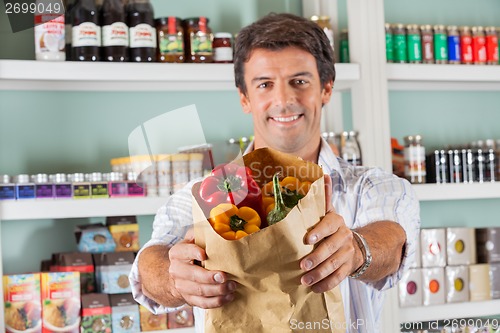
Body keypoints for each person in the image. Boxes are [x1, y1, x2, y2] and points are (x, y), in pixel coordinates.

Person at [130, 13, 420, 333]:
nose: (283, 100)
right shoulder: (200, 196)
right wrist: (174, 277)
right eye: (265, 84)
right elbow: (149, 265)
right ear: (245, 98)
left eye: (299, 81)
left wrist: (357, 251)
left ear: (326, 89)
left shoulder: (372, 187)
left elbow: (390, 244)